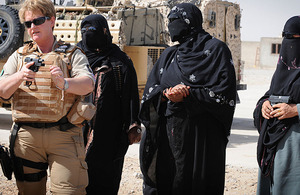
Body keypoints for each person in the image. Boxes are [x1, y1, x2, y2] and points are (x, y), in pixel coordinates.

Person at [139, 3, 237, 195]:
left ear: (190, 22)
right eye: (170, 21)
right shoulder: (169, 54)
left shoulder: (217, 50)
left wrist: (188, 95)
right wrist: (166, 96)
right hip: (170, 136)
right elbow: (151, 90)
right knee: (170, 181)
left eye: (176, 21)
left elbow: (225, 95)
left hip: (203, 138)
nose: (171, 25)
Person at [0, 0, 95, 194]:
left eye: (38, 21)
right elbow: (3, 91)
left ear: (52, 20)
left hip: (64, 135)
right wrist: (20, 76)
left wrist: (65, 84)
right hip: (26, 139)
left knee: (69, 191)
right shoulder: (18, 56)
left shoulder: (71, 54)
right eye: (28, 24)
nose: (32, 27)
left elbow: (88, 83)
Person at [77, 14, 141, 195]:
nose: (87, 34)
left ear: (105, 31)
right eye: (84, 31)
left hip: (109, 138)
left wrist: (131, 126)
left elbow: (130, 98)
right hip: (74, 135)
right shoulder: (74, 58)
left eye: (93, 30)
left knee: (105, 184)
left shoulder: (120, 61)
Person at [254, 16, 300, 195]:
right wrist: (264, 105)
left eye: (296, 40)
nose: (291, 46)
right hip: (274, 143)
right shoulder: (282, 70)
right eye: (288, 39)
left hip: (295, 145)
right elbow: (272, 93)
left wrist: (295, 110)